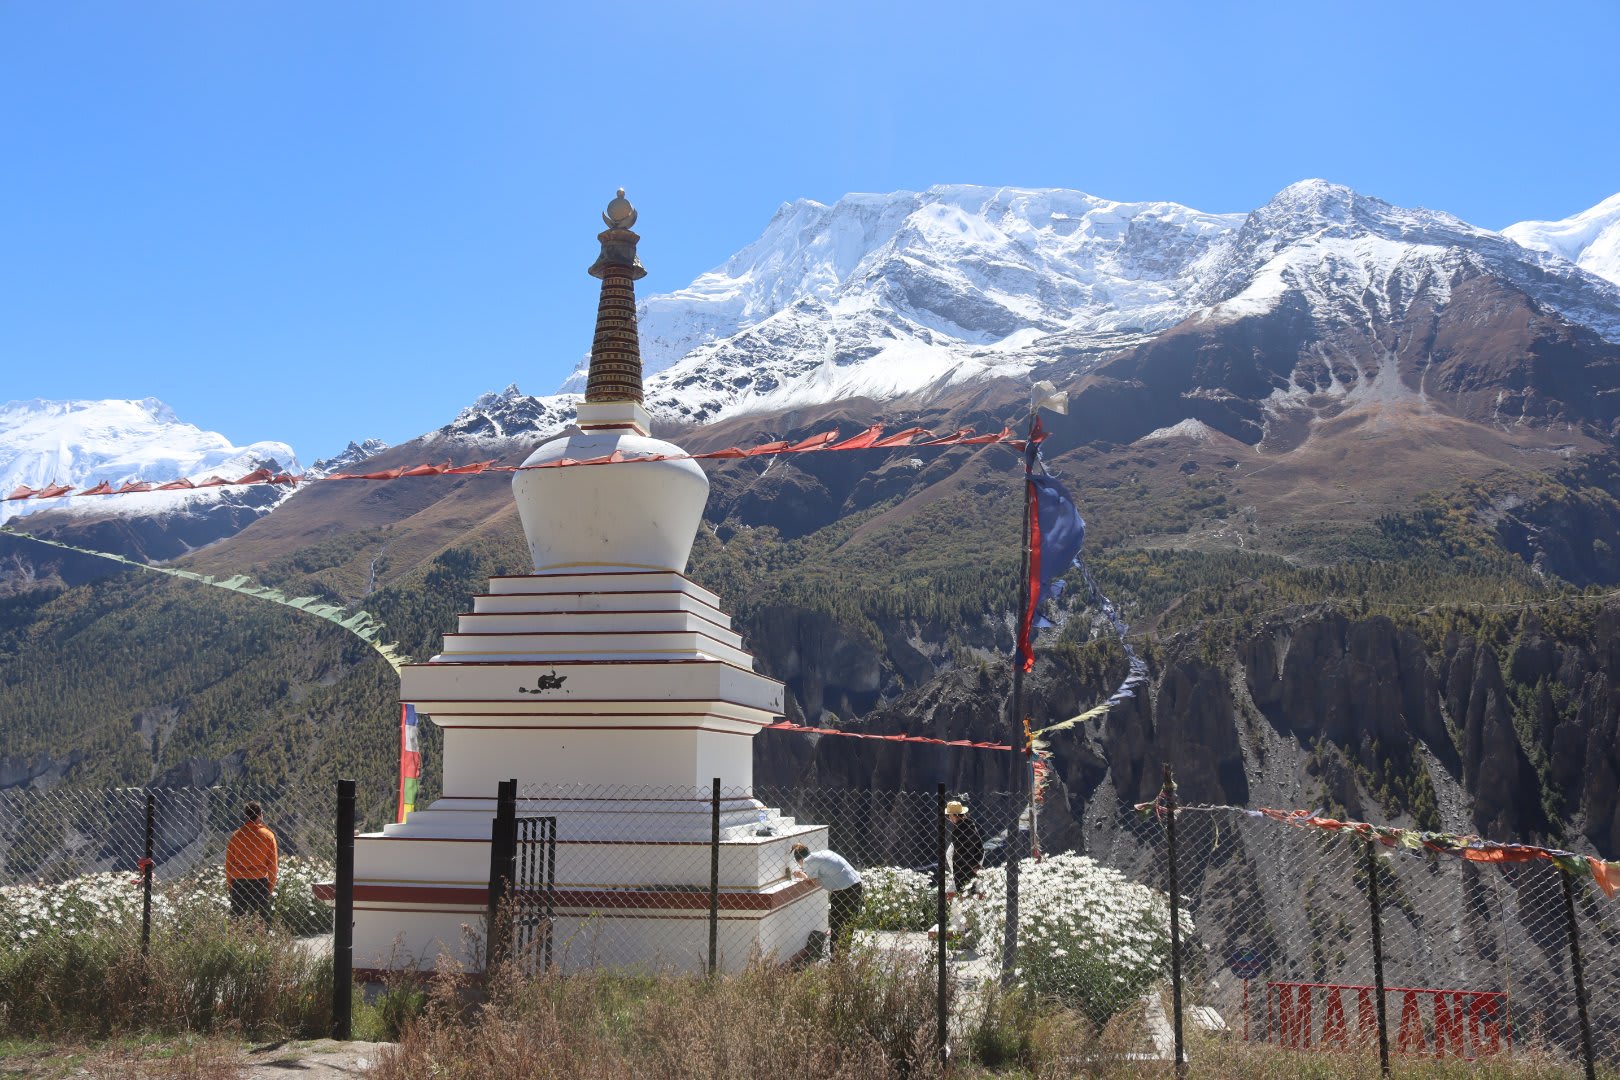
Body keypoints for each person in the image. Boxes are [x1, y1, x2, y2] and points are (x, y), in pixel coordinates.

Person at [791, 842, 863, 955]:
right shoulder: (820, 854)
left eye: (800, 865)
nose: (802, 867)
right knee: (848, 923)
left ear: (800, 860)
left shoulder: (808, 861)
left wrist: (801, 875)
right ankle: (843, 955)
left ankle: (835, 957)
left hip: (843, 890)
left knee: (837, 925)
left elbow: (812, 882)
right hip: (855, 884)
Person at [225, 801, 279, 926]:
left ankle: (238, 938)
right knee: (261, 923)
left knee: (237, 923)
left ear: (246, 816)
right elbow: (273, 865)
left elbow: (228, 864)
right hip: (259, 882)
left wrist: (231, 886)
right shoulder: (268, 836)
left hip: (239, 883)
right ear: (260, 815)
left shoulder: (236, 836)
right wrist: (269, 888)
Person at [945, 799, 983, 898]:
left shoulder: (957, 831)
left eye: (949, 815)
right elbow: (980, 847)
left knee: (964, 895)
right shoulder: (971, 825)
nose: (949, 818)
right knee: (972, 893)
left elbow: (961, 852)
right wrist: (976, 864)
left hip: (962, 869)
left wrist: (973, 865)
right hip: (973, 866)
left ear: (954, 815)